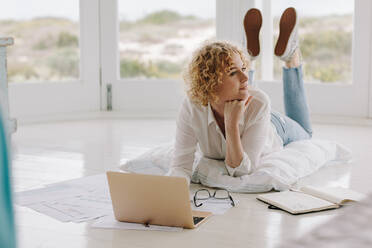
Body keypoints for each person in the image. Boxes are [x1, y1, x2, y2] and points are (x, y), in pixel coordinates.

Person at [168, 7, 312, 185]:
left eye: (243, 69)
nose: (244, 78)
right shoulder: (192, 106)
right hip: (247, 110)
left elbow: (242, 171)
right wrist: (172, 193)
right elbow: (181, 165)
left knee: (307, 134)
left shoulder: (259, 102)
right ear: (209, 83)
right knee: (242, 86)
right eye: (233, 72)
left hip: (275, 127)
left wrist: (231, 125)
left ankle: (292, 58)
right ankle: (247, 59)